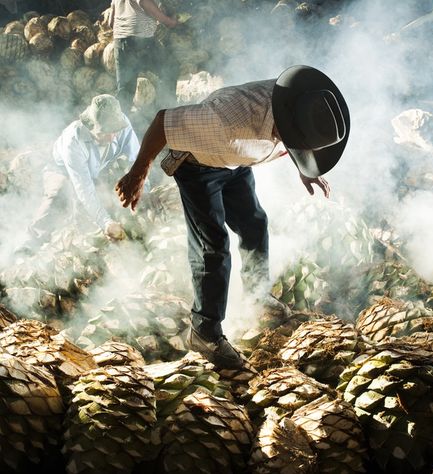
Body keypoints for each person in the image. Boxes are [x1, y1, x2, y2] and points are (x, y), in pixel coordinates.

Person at [115, 65, 350, 369]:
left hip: (237, 163)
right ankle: (205, 331)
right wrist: (138, 173)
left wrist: (305, 169)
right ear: (284, 126)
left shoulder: (303, 103)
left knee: (255, 223)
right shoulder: (226, 121)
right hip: (198, 165)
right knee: (213, 245)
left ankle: (257, 293)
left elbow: (295, 137)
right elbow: (163, 121)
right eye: (296, 144)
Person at [24, 94, 140, 251]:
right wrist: (106, 222)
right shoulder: (73, 141)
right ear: (91, 126)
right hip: (62, 169)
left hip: (99, 167)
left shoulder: (122, 125)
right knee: (58, 196)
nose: (112, 137)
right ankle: (29, 245)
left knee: (112, 199)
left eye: (115, 131)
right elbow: (84, 189)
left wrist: (142, 193)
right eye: (105, 132)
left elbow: (138, 161)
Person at [107, 0, 178, 114]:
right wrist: (169, 21)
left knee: (125, 89)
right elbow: (144, 2)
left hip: (120, 42)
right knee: (169, 70)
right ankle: (168, 115)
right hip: (142, 41)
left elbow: (111, 23)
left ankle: (119, 126)